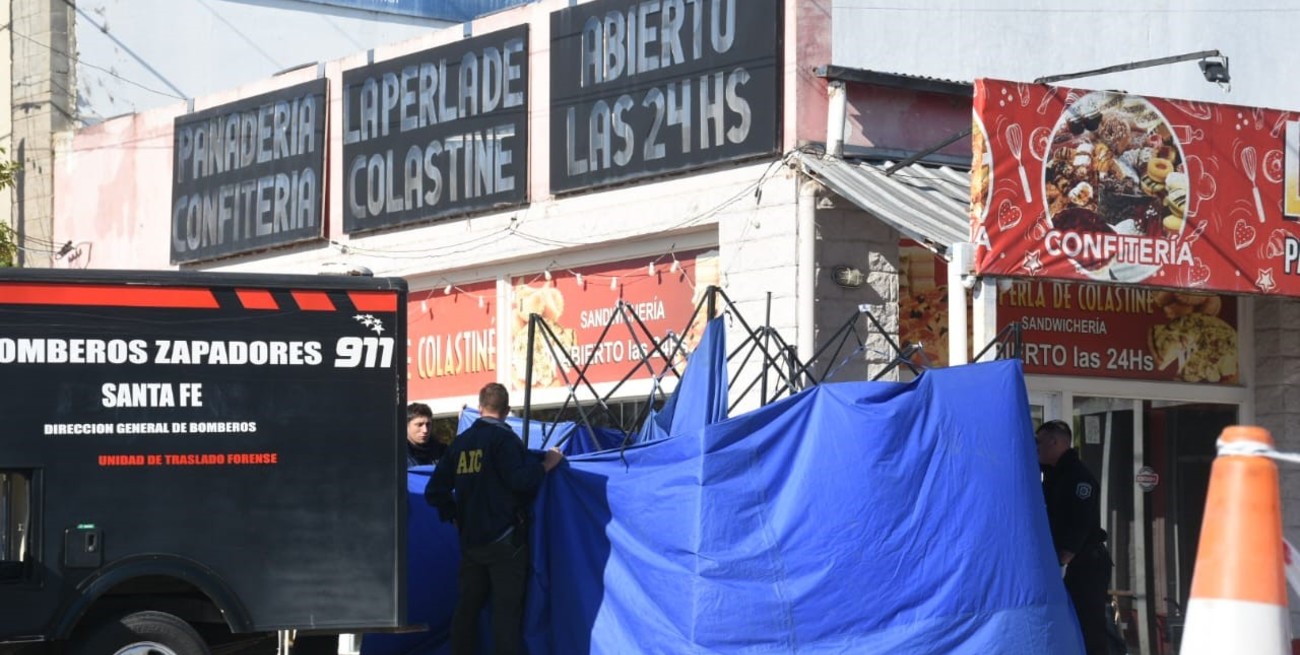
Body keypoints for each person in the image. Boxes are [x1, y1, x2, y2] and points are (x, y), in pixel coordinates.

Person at [426, 383, 564, 655]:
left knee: (467, 608)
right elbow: (521, 481)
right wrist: (547, 463)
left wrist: (453, 516)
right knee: (506, 614)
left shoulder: (461, 443)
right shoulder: (505, 440)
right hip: (505, 540)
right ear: (507, 410)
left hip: (471, 541)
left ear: (480, 408)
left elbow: (435, 491)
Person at [1037, 419, 1112, 655]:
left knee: (1088, 624)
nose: (1036, 447)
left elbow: (1081, 520)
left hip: (1086, 561)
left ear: (1054, 442)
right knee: (1070, 622)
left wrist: (1065, 555)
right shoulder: (1054, 474)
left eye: (1039, 442)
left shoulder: (1077, 476)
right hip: (1072, 561)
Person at [406, 402, 442, 467]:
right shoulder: (396, 456)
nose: (425, 430)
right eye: (419, 425)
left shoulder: (442, 451)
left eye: (428, 424)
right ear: (406, 426)